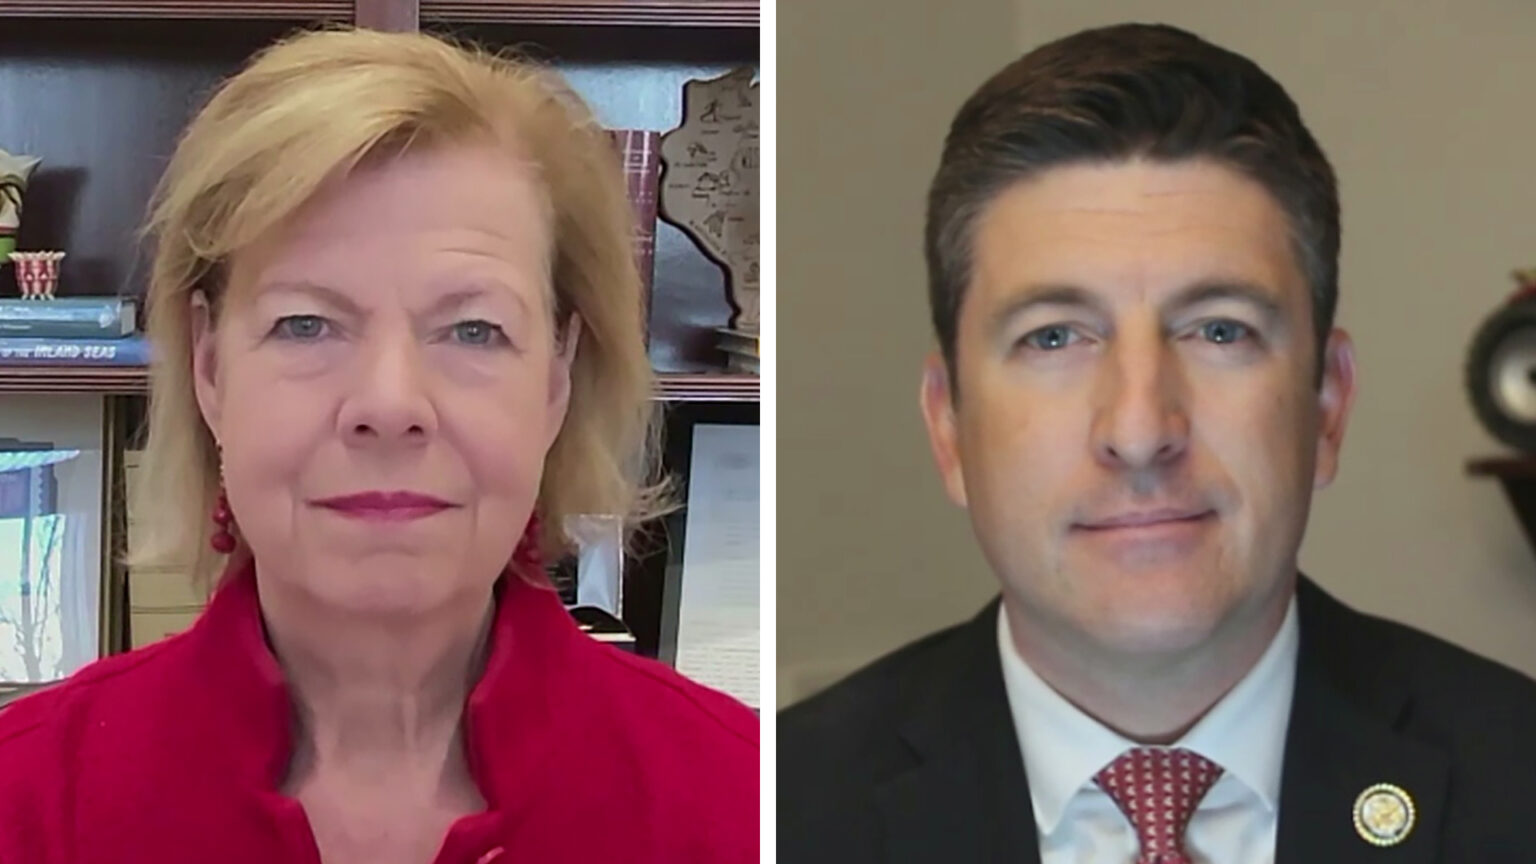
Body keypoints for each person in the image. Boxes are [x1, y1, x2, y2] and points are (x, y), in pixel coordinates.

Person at [779, 22, 1536, 864]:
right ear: (947, 424)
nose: (1140, 433)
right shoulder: (780, 808)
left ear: (1327, 405)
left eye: (1219, 330)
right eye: (1055, 337)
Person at [0, 27, 757, 864]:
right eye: (306, 324)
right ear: (212, 368)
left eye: (473, 329)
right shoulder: (27, 799)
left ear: (556, 377)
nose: (390, 405)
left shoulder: (746, 801)